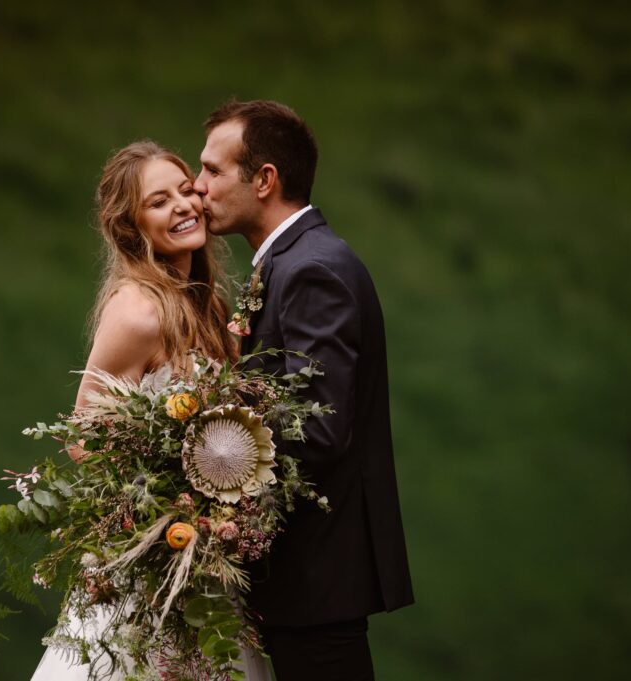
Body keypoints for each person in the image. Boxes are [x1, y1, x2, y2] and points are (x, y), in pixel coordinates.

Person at [30, 140, 270, 680]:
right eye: (159, 202)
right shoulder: (138, 311)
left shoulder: (204, 302)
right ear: (130, 227)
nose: (183, 206)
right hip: (155, 559)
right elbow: (83, 438)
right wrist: (167, 502)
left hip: (204, 560)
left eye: (186, 190)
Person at [194, 99, 415, 681]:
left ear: (265, 179)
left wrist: (197, 454)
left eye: (213, 171)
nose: (198, 188)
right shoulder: (290, 262)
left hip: (320, 577)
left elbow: (317, 426)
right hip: (305, 579)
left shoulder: (312, 268)